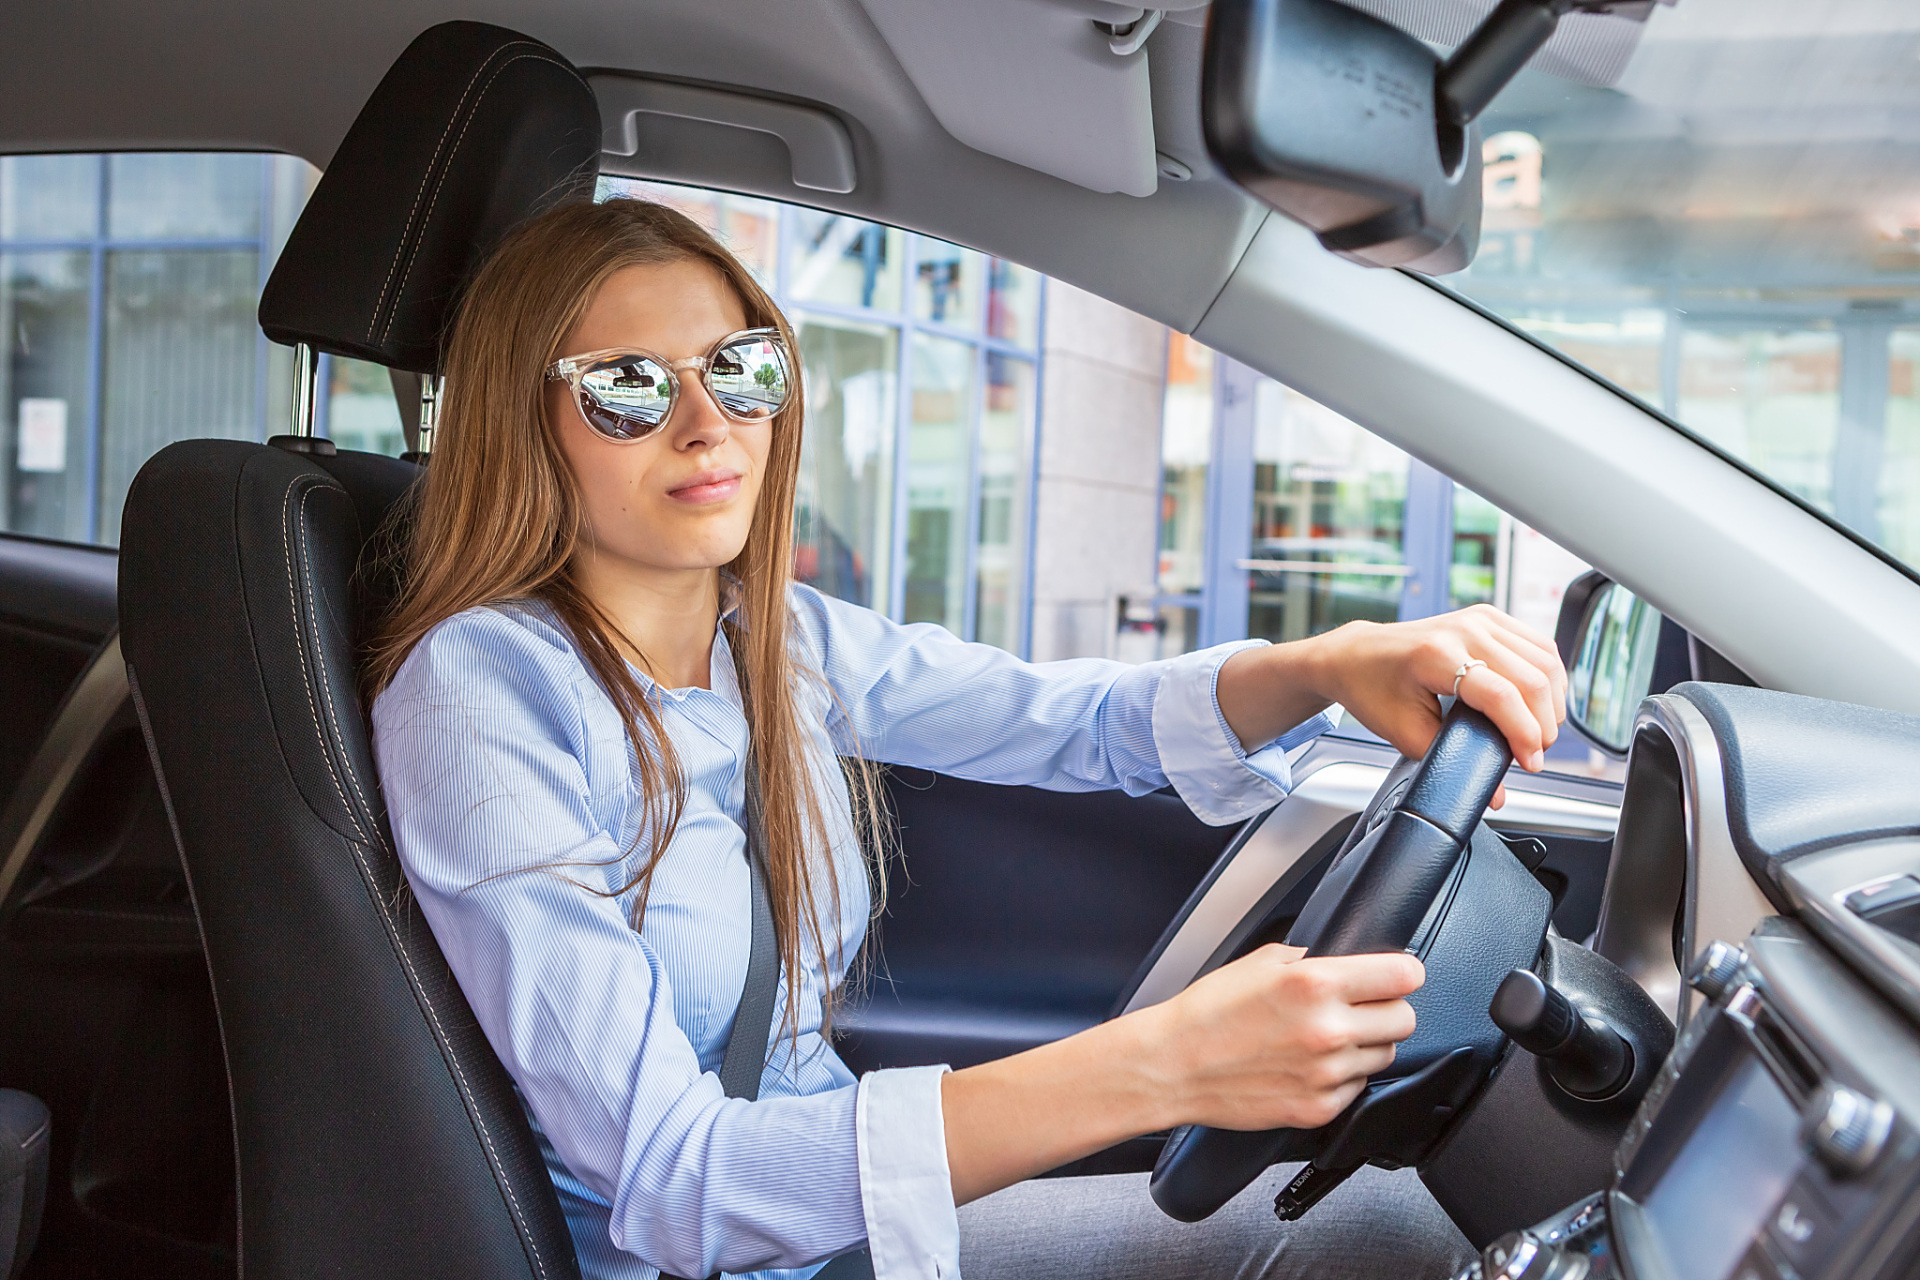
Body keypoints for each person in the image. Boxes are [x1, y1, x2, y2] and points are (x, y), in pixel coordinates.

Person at [368, 197, 1565, 1280]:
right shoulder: (483, 690)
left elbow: (1075, 720)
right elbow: (678, 1182)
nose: (705, 422)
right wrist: (1162, 1065)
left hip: (833, 1244)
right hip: (718, 1260)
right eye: (625, 386)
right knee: (1373, 1246)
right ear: (522, 421)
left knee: (1383, 1235)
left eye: (741, 367)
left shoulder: (772, 639)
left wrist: (1327, 663)